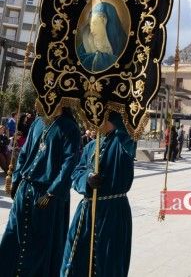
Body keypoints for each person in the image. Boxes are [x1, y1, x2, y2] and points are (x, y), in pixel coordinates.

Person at [0, 106, 81, 277]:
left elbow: (69, 164)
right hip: (25, 189)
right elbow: (23, 154)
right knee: (13, 237)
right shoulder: (37, 122)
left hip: (47, 197)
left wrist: (52, 192)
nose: (39, 102)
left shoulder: (70, 128)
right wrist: (16, 180)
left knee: (40, 245)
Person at [61, 111, 135, 276]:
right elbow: (77, 172)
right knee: (76, 260)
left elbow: (127, 135)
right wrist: (86, 180)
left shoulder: (124, 143)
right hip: (86, 213)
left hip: (112, 213)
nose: (95, 122)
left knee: (107, 262)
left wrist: (117, 111)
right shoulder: (90, 146)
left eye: (100, 117)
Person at [77, 2, 127, 72]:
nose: (91, 30)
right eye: (90, 24)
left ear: (106, 23)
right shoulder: (83, 48)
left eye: (95, 23)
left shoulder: (124, 45)